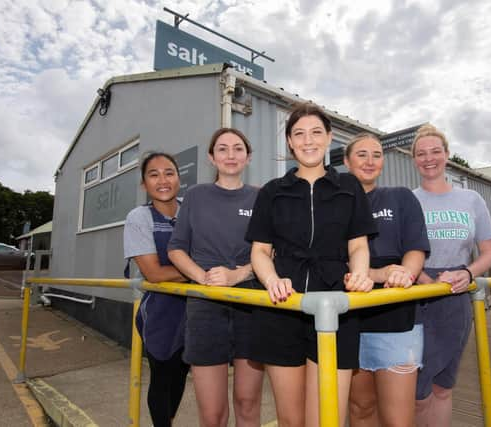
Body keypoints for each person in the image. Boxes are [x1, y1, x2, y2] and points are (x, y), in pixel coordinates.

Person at [246, 103, 378, 427]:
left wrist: (359, 273)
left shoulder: (349, 187)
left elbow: (358, 245)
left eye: (316, 132)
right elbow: (260, 251)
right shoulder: (272, 192)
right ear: (290, 142)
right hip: (283, 306)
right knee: (291, 421)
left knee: (326, 420)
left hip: (336, 306)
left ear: (329, 138)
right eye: (299, 133)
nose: (308, 140)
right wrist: (272, 280)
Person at [167, 128, 264, 427]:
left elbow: (270, 252)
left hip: (251, 304)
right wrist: (203, 278)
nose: (231, 155)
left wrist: (238, 274)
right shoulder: (196, 196)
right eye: (222, 149)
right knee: (212, 414)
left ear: (248, 157)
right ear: (212, 157)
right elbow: (176, 249)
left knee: (247, 405)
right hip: (206, 309)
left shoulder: (261, 197)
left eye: (238, 149)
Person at [411, 124, 491, 426]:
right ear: (414, 160)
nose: (429, 158)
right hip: (418, 296)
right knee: (418, 392)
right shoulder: (408, 200)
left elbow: (489, 252)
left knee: (443, 386)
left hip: (457, 296)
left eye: (436, 151)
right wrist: (426, 282)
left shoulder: (471, 200)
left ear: (447, 155)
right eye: (421, 153)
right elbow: (400, 253)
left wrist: (467, 273)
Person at [344, 133, 430, 427]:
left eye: (377, 155)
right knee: (360, 408)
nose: (370, 161)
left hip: (397, 317)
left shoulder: (400, 197)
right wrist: (378, 274)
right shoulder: (334, 207)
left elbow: (416, 249)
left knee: (398, 419)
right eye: (362, 154)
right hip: (350, 319)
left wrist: (405, 273)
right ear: (346, 161)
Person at [123, 152, 189, 427]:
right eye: (154, 174)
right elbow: (154, 273)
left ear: (178, 178)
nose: (163, 180)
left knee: (181, 373)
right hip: (160, 311)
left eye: (169, 173)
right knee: (162, 374)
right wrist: (201, 272)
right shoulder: (139, 217)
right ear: (144, 184)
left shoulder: (191, 209)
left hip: (194, 306)